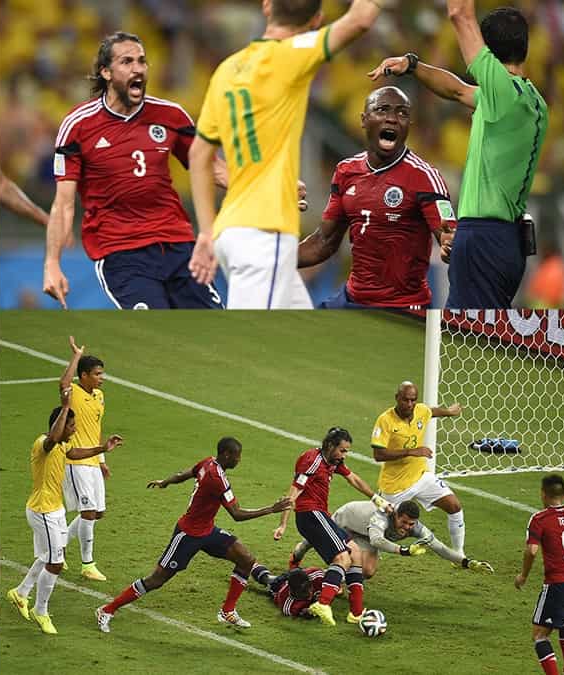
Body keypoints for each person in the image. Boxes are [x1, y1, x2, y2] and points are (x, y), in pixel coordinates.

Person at [188, 0, 388, 309]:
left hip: (231, 230)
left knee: (304, 341)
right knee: (251, 350)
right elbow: (360, 19)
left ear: (267, 6)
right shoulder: (293, 55)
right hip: (263, 237)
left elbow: (199, 153)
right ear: (317, 19)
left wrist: (204, 231)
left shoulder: (227, 69)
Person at [370, 3, 548, 308]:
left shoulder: (501, 92)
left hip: (483, 238)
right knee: (485, 338)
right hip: (507, 241)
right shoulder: (530, 101)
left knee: (467, 342)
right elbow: (457, 91)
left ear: (488, 54)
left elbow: (459, 14)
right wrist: (413, 66)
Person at [41, 31, 227, 310]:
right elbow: (64, 204)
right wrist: (52, 263)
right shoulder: (78, 125)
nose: (138, 68)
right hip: (121, 252)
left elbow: (216, 170)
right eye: (127, 62)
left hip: (179, 245)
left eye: (142, 61)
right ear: (105, 72)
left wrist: (273, 192)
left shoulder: (172, 116)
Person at [95, 437, 290, 632]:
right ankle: (107, 609)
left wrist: (165, 482)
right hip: (188, 534)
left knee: (246, 559)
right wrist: (271, 509)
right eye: (237, 457)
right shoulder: (217, 479)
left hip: (207, 530)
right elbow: (237, 514)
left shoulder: (208, 462)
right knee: (157, 579)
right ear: (227, 454)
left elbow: (185, 473)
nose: (239, 461)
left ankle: (227, 610)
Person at [297, 86, 458, 308]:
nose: (392, 118)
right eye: (382, 110)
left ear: (409, 125)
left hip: (403, 306)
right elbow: (324, 242)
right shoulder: (346, 171)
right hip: (353, 299)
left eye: (402, 113)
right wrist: (277, 259)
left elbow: (449, 236)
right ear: (364, 120)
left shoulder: (424, 177)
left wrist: (451, 245)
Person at [6, 342, 123, 635]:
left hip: (55, 510)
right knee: (55, 563)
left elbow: (74, 452)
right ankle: (41, 610)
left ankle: (20, 593)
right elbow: (58, 435)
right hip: (42, 511)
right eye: (70, 426)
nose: (73, 430)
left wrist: (102, 450)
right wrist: (68, 405)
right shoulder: (43, 444)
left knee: (47, 557)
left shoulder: (65, 444)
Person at [273, 427, 389, 626]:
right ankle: (323, 603)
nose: (344, 455)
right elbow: (292, 494)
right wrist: (282, 524)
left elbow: (353, 478)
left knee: (355, 553)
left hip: (321, 515)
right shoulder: (311, 461)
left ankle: (356, 612)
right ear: (329, 445)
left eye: (346, 451)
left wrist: (376, 499)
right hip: (309, 515)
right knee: (342, 558)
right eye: (342, 450)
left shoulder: (333, 461)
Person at [371, 381, 467, 555]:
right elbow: (378, 454)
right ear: (397, 398)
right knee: (385, 529)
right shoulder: (385, 420)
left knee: (454, 506)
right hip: (394, 486)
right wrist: (411, 451)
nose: (409, 404)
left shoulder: (420, 410)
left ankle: (458, 554)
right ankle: (367, 551)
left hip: (421, 476)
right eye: (405, 400)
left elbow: (431, 412)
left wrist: (449, 412)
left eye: (413, 400)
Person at [288, 500, 494, 579]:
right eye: (404, 523)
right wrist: (403, 551)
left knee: (367, 571)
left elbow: (438, 547)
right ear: (396, 515)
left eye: (411, 524)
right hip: (346, 520)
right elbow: (378, 540)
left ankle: (334, 577)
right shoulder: (381, 516)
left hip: (365, 536)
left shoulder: (414, 528)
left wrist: (466, 562)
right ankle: (296, 556)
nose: (407, 528)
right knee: (315, 540)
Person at [515, 474, 564, 675]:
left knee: (539, 635)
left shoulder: (540, 519)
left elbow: (531, 550)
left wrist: (523, 575)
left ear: (543, 494)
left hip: (558, 585)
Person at [60, 337, 110, 581]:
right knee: (88, 511)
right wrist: (77, 355)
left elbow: (96, 428)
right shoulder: (74, 394)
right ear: (84, 375)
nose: (101, 378)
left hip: (92, 462)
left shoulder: (99, 396)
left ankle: (57, 547)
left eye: (102, 374)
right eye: (97, 374)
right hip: (76, 462)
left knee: (96, 513)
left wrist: (101, 459)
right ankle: (87, 564)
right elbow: (63, 382)